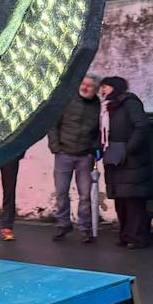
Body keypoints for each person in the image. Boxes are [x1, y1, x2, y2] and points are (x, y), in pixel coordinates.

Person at [46, 74, 101, 243]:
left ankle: (84, 227)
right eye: (83, 83)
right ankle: (63, 224)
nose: (84, 87)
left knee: (85, 195)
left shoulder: (99, 106)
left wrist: (94, 150)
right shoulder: (67, 99)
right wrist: (55, 147)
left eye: (89, 86)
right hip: (64, 154)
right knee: (62, 192)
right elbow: (53, 123)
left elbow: (100, 130)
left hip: (85, 156)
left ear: (96, 90)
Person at [101, 76, 153, 249]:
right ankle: (125, 235)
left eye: (106, 87)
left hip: (131, 159)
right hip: (114, 157)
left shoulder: (130, 103)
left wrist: (129, 149)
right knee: (121, 199)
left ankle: (137, 237)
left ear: (115, 88)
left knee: (134, 200)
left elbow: (141, 126)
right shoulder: (106, 108)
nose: (103, 90)